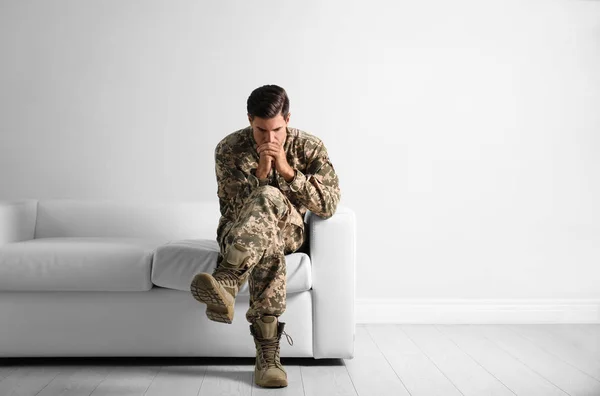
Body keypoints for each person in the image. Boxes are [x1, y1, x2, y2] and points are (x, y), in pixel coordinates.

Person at [190, 84, 341, 388]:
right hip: (238, 230)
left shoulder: (309, 147)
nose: (269, 139)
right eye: (261, 131)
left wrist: (288, 172)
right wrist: (259, 176)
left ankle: (228, 279)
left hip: (292, 231)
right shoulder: (229, 149)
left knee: (271, 198)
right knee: (266, 238)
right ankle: (268, 357)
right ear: (249, 120)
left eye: (276, 130)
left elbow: (329, 205)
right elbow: (231, 210)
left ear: (288, 119)